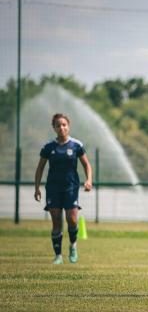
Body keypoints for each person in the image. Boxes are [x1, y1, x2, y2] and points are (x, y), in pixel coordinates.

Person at [34, 113, 93, 264]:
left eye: (64, 125)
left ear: (68, 126)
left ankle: (73, 246)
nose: (61, 127)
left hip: (71, 187)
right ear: (54, 128)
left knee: (72, 220)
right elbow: (40, 168)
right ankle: (58, 255)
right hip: (53, 188)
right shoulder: (48, 147)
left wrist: (88, 180)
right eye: (58, 125)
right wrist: (37, 188)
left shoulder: (76, 145)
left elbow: (86, 164)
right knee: (56, 221)